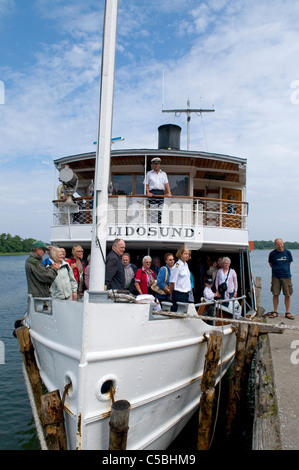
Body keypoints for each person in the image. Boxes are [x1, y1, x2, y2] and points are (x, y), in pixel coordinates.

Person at [268, 238, 294, 320]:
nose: (280, 245)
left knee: (287, 294)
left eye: (281, 243)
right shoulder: (272, 254)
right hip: (276, 276)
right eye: (278, 244)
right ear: (275, 245)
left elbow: (289, 263)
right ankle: (275, 311)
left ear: (283, 243)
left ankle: (287, 312)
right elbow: (271, 264)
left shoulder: (288, 253)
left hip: (286, 276)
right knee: (275, 294)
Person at [144, 157, 172, 223]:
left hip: (161, 193)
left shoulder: (163, 174)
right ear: (152, 165)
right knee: (153, 211)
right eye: (155, 164)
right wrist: (148, 192)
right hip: (152, 193)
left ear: (159, 164)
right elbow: (146, 184)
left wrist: (169, 192)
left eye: (157, 164)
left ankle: (159, 227)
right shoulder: (149, 173)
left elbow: (166, 184)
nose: (156, 165)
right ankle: (152, 227)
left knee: (160, 211)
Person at [169, 246, 192, 312]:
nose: (187, 255)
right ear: (180, 254)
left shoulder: (186, 265)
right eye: (185, 253)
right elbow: (172, 281)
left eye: (188, 254)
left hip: (186, 293)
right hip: (179, 293)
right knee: (177, 312)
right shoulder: (177, 266)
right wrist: (171, 293)